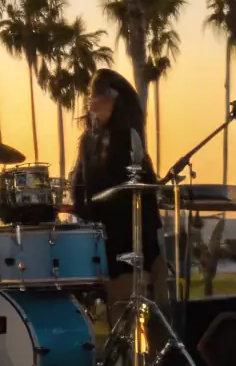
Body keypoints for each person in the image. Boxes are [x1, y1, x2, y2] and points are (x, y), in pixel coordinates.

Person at [69, 68, 169, 318]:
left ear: (116, 100)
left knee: (141, 323)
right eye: (91, 96)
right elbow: (79, 190)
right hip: (105, 244)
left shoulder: (129, 142)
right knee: (119, 323)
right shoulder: (88, 143)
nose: (92, 103)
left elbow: (138, 197)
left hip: (134, 243)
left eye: (99, 95)